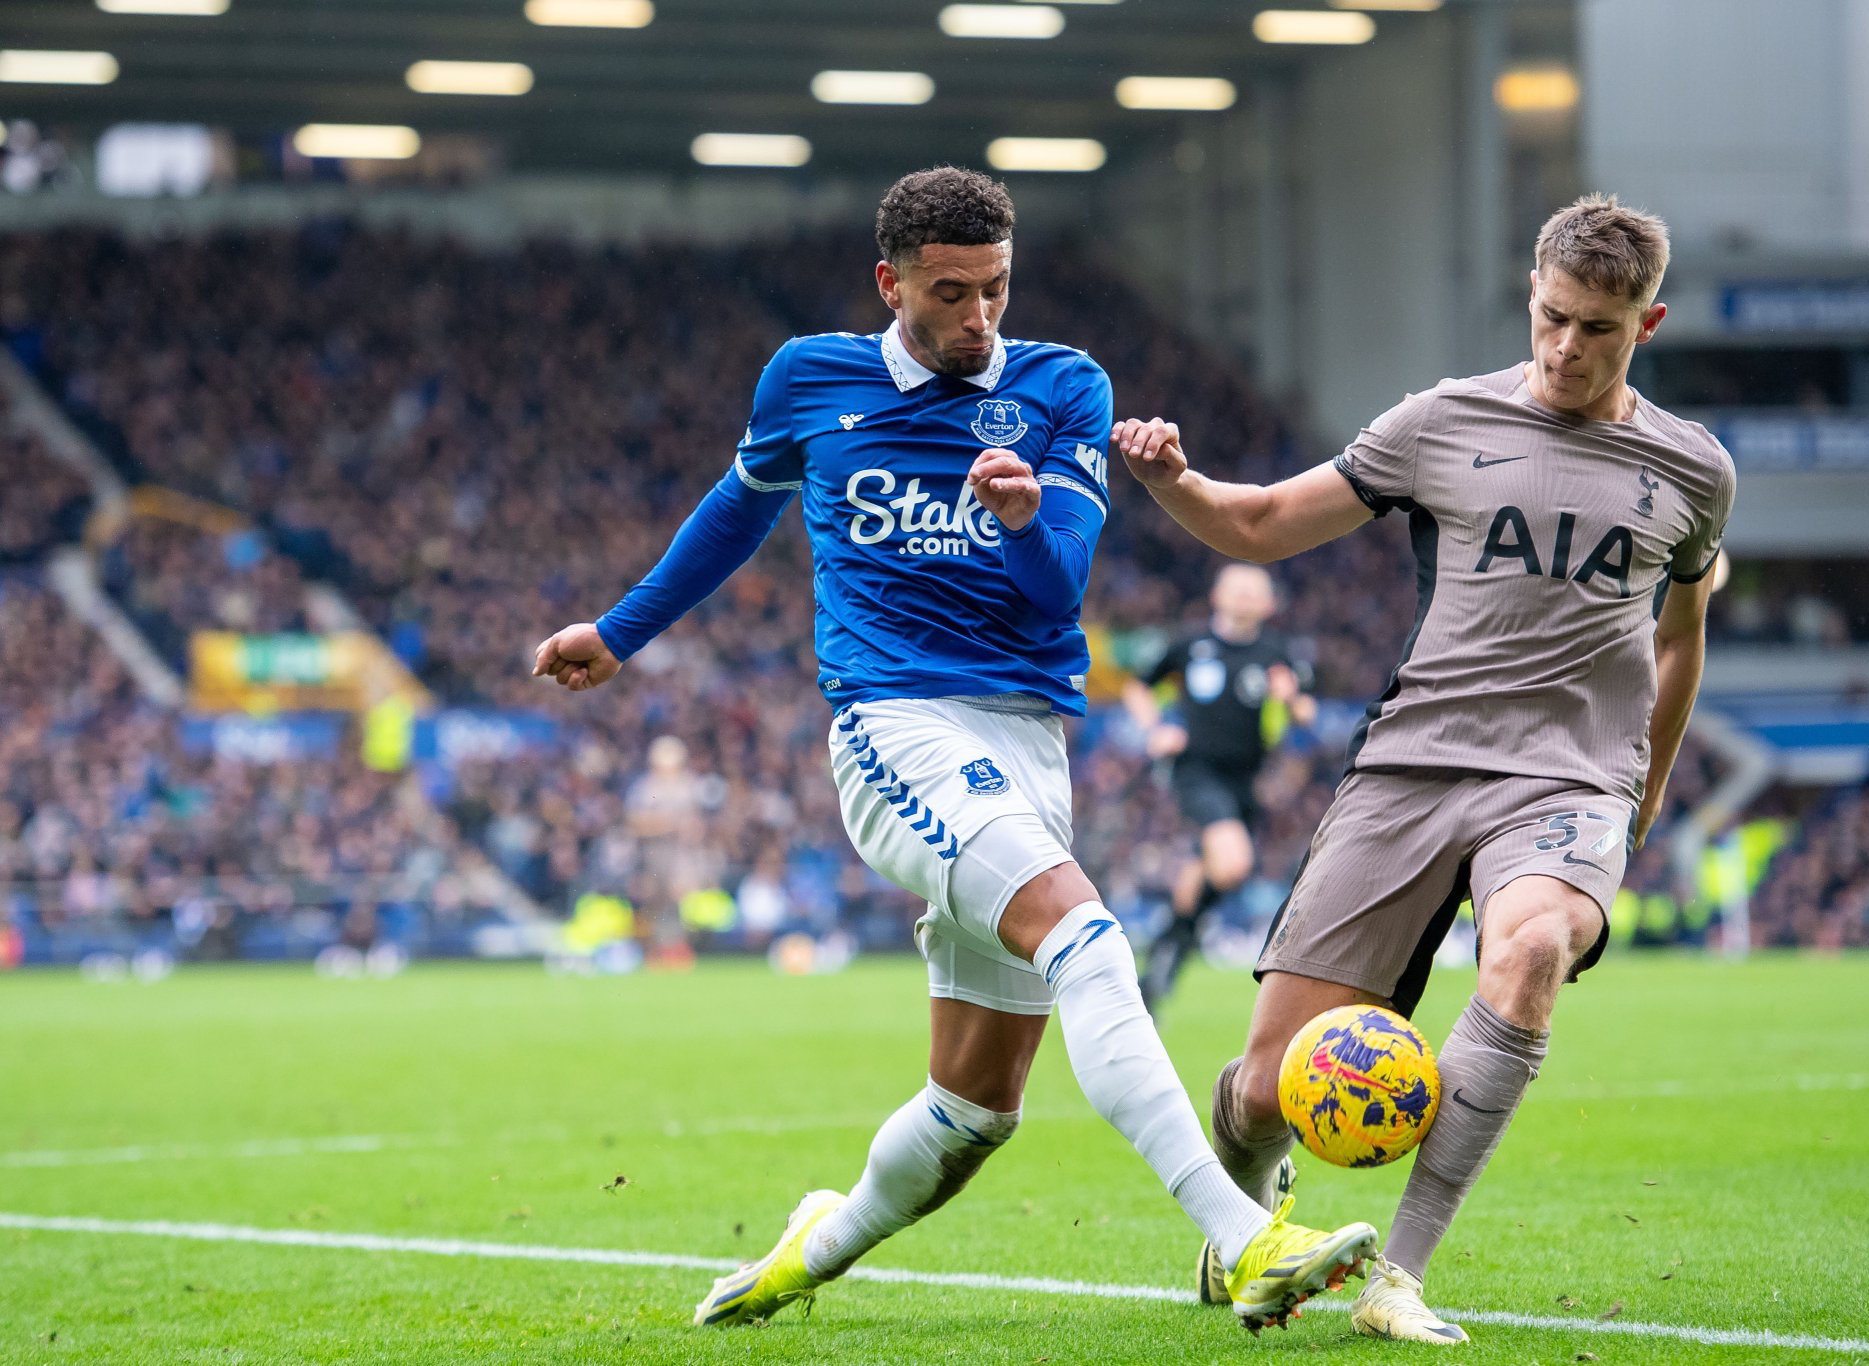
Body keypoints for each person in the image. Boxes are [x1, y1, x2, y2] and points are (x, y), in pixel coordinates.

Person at [532, 166, 1379, 1335]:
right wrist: (619, 632)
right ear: (889, 284)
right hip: (895, 724)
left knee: (976, 1107)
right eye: (949, 293)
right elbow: (737, 508)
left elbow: (1056, 591)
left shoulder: (1061, 386)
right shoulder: (807, 378)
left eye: (995, 289)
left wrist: (1023, 520)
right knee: (1089, 941)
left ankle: (812, 1245)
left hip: (1027, 739)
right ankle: (1244, 1239)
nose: (978, 318)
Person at [1112, 193, 1735, 1345]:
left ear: (1645, 325)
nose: (1564, 346)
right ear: (1530, 293)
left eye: (1597, 328)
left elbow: (1680, 632)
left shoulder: (1693, 470)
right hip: (1410, 768)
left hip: (1567, 783)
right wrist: (1170, 482)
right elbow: (1261, 522)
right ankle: (1243, 1220)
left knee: (1530, 948)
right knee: (1263, 1087)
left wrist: (1643, 786)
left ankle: (1393, 1275)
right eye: (1550, 316)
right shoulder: (1441, 421)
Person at [1122, 563, 1315, 1010]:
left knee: (1208, 870)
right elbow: (1137, 688)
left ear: (1268, 604)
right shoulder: (1190, 644)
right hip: (1195, 769)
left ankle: (1163, 959)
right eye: (1237, 589)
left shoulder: (1277, 652)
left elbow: (1307, 713)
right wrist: (1156, 729)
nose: (1245, 597)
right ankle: (1171, 947)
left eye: (1254, 591)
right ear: (1217, 595)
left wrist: (1289, 698)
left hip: (1247, 779)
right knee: (1232, 864)